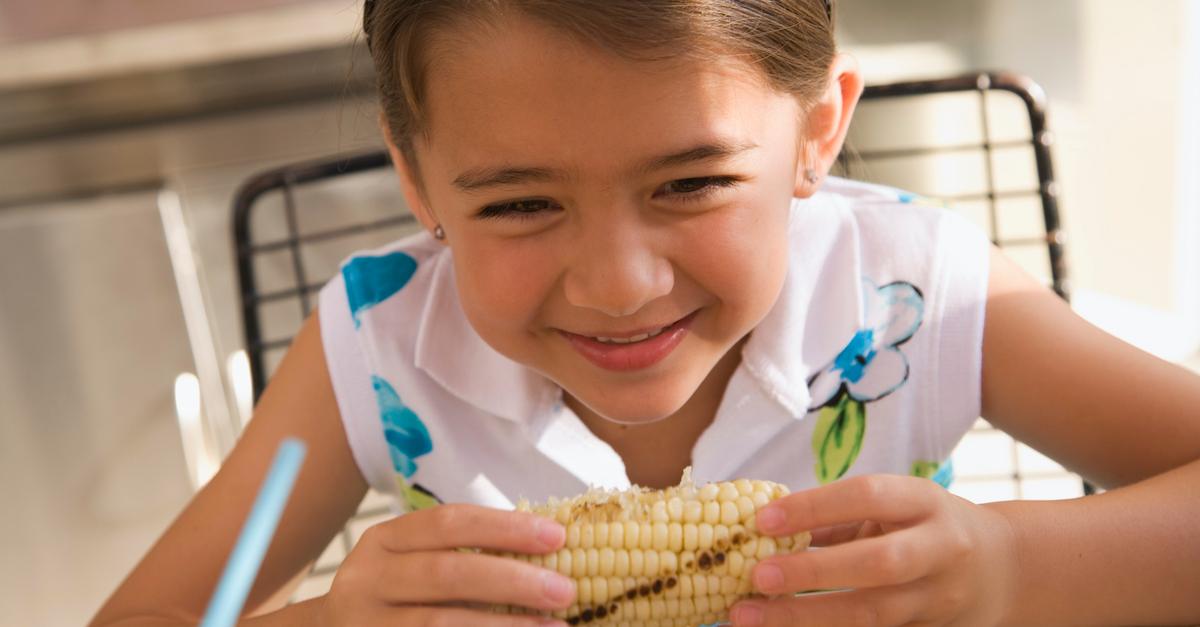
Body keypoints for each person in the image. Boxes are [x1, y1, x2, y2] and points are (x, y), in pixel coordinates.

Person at [93, 1, 1200, 625]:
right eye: (522, 202)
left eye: (691, 184)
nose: (618, 285)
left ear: (818, 133)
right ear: (419, 185)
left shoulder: (917, 288)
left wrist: (1012, 568)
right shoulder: (372, 352)